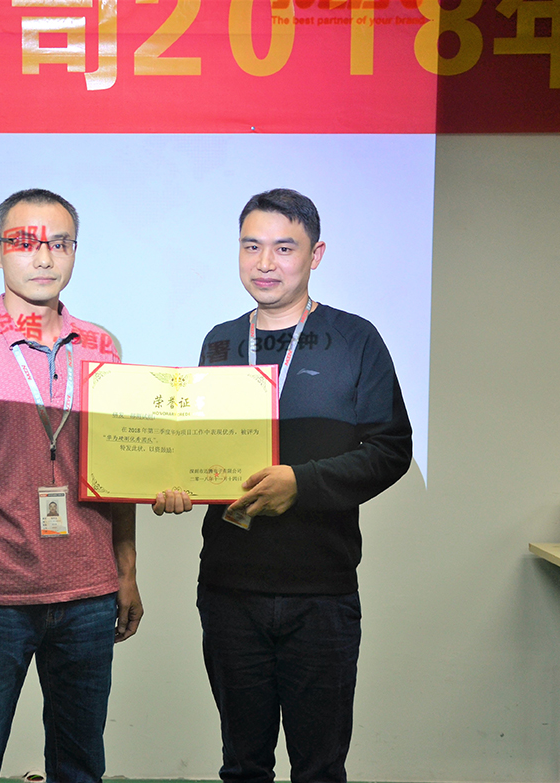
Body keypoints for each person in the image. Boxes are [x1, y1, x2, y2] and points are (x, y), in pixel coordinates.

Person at [154, 188, 412, 783]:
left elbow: (391, 450)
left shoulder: (355, 339)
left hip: (320, 592)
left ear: (315, 255)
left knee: (319, 769)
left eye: (284, 248)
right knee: (242, 765)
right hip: (229, 587)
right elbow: (200, 452)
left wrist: (303, 482)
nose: (265, 263)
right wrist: (174, 483)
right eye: (251, 247)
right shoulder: (220, 341)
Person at [0, 188, 142, 783]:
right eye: (25, 243)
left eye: (60, 244)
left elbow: (118, 473)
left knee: (81, 766)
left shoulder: (102, 349)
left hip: (89, 595)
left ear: (75, 252)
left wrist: (126, 572)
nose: (44, 257)